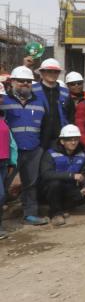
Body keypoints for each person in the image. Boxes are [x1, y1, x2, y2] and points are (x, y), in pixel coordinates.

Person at [0, 66, 49, 225]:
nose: (25, 84)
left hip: (33, 150)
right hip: (10, 153)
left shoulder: (39, 101)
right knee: (3, 186)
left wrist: (41, 146)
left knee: (30, 184)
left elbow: (46, 124)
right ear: (13, 81)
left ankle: (30, 214)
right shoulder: (3, 101)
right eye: (21, 81)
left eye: (28, 81)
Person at [38, 124, 85, 226]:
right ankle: (56, 214)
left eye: (76, 139)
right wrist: (71, 176)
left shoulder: (81, 154)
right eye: (69, 140)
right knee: (55, 184)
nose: (73, 142)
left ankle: (63, 208)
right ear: (62, 141)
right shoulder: (50, 153)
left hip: (70, 189)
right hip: (51, 190)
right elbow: (46, 174)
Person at [33, 58, 70, 151]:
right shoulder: (32, 90)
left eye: (56, 72)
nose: (52, 74)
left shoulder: (65, 92)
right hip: (39, 137)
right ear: (41, 72)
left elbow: (70, 114)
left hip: (59, 138)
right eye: (49, 71)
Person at [0, 84, 19, 237]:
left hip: (4, 161)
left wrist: (12, 161)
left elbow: (10, 140)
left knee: (2, 195)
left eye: (0, 96)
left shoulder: (2, 116)